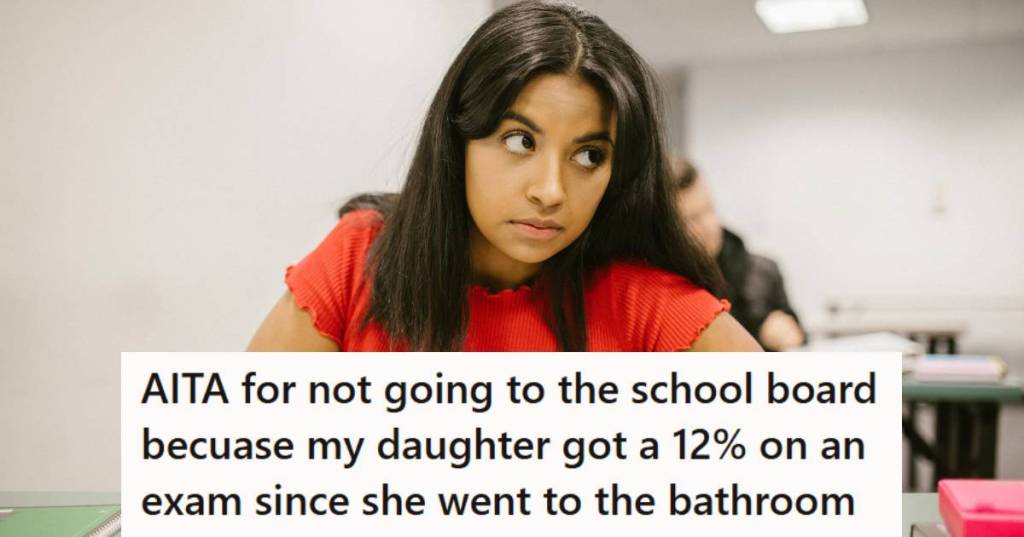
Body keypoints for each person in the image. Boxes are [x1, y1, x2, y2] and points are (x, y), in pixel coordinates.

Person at [247, 2, 761, 352]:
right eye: (520, 141)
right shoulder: (362, 257)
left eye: (588, 156)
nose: (551, 191)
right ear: (458, 140)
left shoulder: (639, 298)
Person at [671, 158, 805, 351]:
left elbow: (800, 341)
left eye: (709, 208)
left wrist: (791, 335)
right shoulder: (663, 292)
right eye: (691, 219)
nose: (709, 225)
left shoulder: (764, 272)